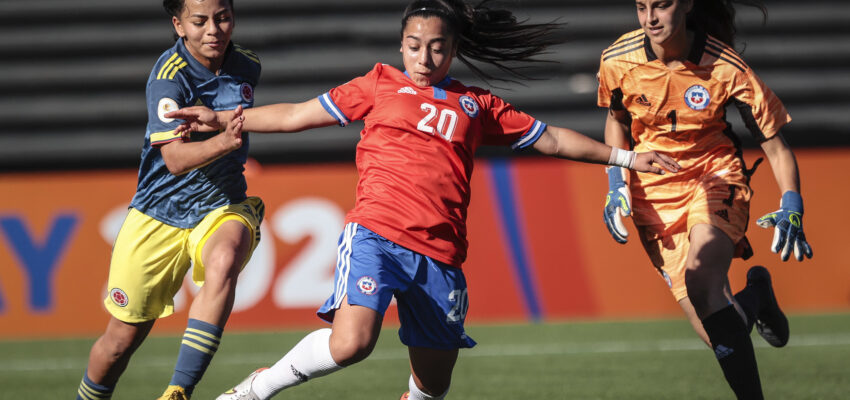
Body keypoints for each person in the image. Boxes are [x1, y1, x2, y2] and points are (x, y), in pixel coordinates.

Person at [169, 1, 678, 399]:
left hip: (440, 255)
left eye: (436, 48)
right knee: (352, 342)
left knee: (432, 386)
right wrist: (217, 118)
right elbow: (294, 115)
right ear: (401, 45)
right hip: (376, 234)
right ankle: (257, 389)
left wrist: (627, 159)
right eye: (413, 45)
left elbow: (552, 140)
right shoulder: (378, 84)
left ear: (452, 50)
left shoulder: (477, 105)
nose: (423, 58)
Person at [597, 0, 813, 398]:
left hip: (715, 178)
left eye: (661, 5)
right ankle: (757, 294)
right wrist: (616, 181)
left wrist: (792, 203)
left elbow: (777, 148)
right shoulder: (616, 60)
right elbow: (616, 123)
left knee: (701, 278)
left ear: (688, 4)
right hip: (656, 198)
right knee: (718, 332)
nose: (651, 18)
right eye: (641, 7)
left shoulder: (726, 66)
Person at [74, 1, 263, 399]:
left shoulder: (248, 65)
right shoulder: (167, 78)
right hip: (158, 214)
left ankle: (178, 390)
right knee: (119, 343)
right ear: (179, 25)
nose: (213, 29)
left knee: (224, 257)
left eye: (223, 17)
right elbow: (174, 160)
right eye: (199, 21)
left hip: (220, 205)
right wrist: (224, 141)